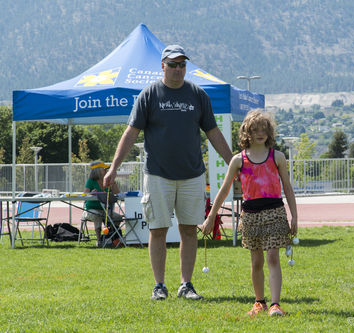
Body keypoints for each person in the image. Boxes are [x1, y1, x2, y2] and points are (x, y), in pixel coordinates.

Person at [103, 45, 232, 301]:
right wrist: (114, 167)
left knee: (188, 230)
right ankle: (159, 286)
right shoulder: (149, 94)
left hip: (192, 175)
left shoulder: (198, 95)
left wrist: (234, 163)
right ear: (162, 65)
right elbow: (131, 133)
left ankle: (186, 285)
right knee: (158, 230)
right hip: (158, 175)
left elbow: (213, 133)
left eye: (182, 64)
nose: (177, 69)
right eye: (172, 64)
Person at [202, 110, 298, 316]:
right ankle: (259, 301)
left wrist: (295, 217)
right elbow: (224, 189)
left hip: (275, 212)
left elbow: (288, 188)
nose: (260, 133)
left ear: (269, 132)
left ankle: (275, 304)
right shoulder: (238, 160)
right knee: (256, 261)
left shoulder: (277, 157)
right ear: (248, 132)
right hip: (251, 216)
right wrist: (211, 217)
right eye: (255, 129)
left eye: (264, 129)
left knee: (273, 257)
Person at [82, 160, 120, 247]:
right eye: (104, 169)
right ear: (98, 171)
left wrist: (113, 181)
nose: (107, 170)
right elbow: (85, 194)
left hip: (106, 210)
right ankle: (99, 241)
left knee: (118, 217)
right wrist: (91, 193)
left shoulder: (108, 180)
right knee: (97, 215)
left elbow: (117, 193)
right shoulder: (91, 181)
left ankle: (109, 237)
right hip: (91, 210)